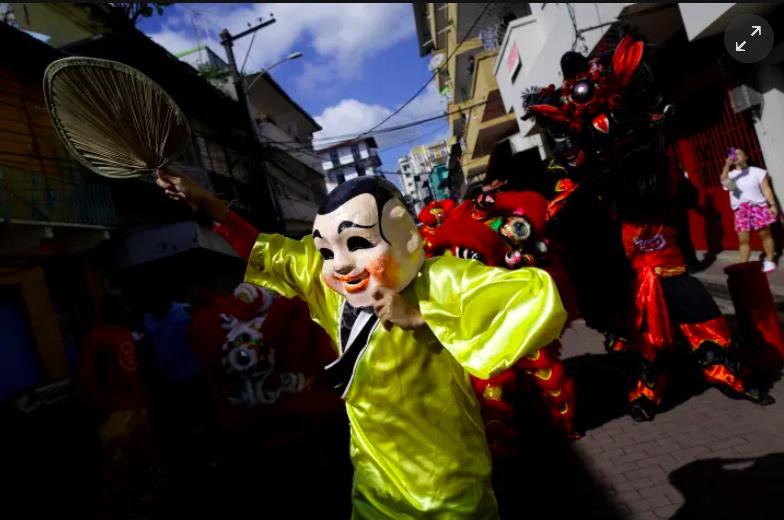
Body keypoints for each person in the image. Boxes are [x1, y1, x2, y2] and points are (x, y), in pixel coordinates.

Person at [154, 168, 567, 519]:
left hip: (449, 484)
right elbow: (271, 253)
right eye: (327, 251)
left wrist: (425, 318)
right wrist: (206, 203)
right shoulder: (330, 289)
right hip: (376, 486)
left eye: (357, 243)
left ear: (403, 234)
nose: (341, 263)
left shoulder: (442, 281)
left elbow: (536, 297)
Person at [720, 148, 779, 272]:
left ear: (746, 157)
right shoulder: (731, 175)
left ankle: (769, 260)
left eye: (739, 154)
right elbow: (725, 183)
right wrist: (727, 165)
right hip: (741, 210)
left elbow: (766, 189)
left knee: (765, 235)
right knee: (743, 239)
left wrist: (772, 205)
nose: (736, 156)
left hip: (758, 207)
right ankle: (743, 265)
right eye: (733, 154)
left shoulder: (756, 171)